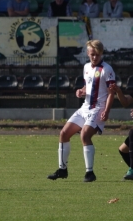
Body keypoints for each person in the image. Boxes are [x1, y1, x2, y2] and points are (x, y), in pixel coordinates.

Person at [47, 40, 116, 182]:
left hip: (98, 108)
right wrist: (81, 91)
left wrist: (107, 111)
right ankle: (62, 170)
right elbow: (88, 85)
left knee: (85, 135)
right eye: (92, 54)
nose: (95, 57)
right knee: (64, 133)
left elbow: (111, 93)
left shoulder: (107, 69)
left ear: (101, 53)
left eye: (97, 55)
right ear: (88, 53)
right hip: (85, 107)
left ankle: (89, 173)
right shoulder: (86, 67)